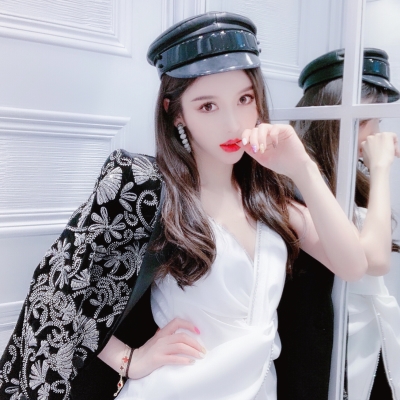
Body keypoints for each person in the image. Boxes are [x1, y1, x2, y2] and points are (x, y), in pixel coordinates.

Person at [0, 13, 371, 400]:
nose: (233, 123)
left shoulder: (269, 197)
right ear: (175, 111)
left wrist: (303, 168)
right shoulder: (147, 190)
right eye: (208, 106)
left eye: (244, 99)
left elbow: (353, 265)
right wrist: (129, 359)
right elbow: (55, 294)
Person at [276, 48, 400, 400]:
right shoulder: (293, 186)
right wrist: (380, 169)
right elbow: (374, 260)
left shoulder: (345, 179)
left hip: (366, 338)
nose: (376, 133)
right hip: (325, 352)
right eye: (369, 120)